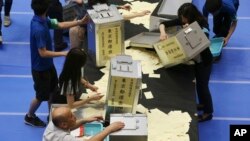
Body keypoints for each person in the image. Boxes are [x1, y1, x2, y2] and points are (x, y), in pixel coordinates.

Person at [25, 0, 89, 127]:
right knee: (40, 96)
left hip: (48, 65)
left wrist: (79, 22)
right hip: (40, 68)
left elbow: (59, 25)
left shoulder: (43, 19)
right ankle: (29, 116)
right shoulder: (38, 28)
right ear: (47, 8)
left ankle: (51, 114)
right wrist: (63, 53)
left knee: (52, 91)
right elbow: (42, 53)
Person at [159, 3, 213, 122]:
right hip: (196, 61)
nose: (182, 20)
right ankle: (203, 104)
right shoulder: (183, 20)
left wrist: (190, 30)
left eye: (184, 18)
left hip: (204, 61)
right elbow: (163, 24)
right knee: (199, 85)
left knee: (203, 87)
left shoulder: (202, 23)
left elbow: (204, 38)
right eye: (181, 17)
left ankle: (208, 112)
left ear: (191, 16)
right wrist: (163, 33)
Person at [68, 0, 150, 49]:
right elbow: (121, 17)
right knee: (76, 55)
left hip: (84, 23)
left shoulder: (97, 4)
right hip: (78, 30)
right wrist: (139, 14)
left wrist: (120, 6)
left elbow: (107, 6)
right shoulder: (92, 11)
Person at [43, 107, 125, 141]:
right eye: (71, 116)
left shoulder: (55, 123)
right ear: (63, 124)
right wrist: (109, 129)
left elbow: (69, 127)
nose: (75, 116)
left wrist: (85, 120)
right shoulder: (65, 138)